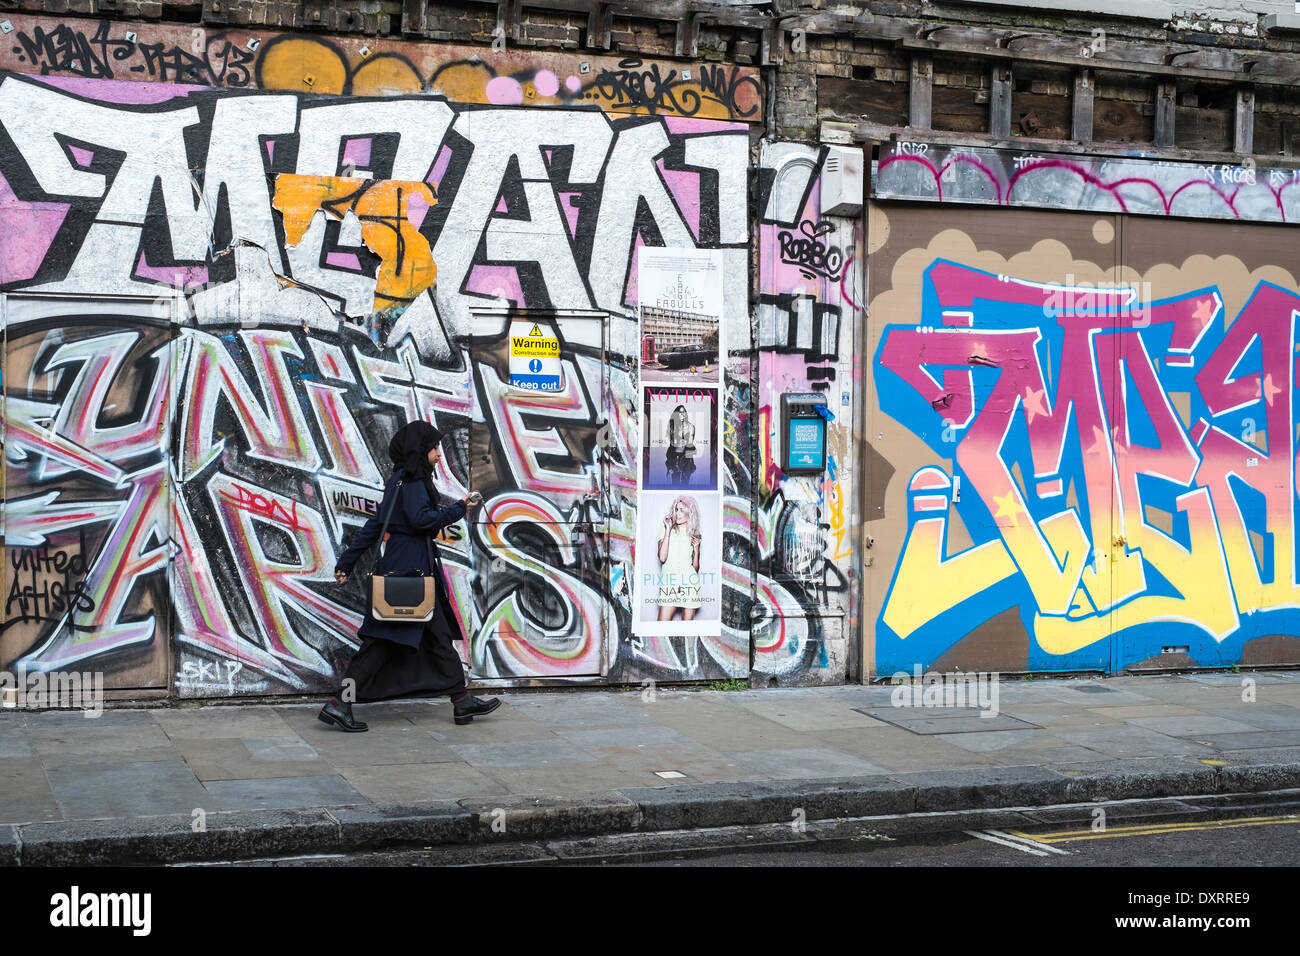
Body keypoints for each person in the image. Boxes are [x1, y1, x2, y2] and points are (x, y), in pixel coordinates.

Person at [320, 421, 500, 732]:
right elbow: (421, 521)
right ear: (420, 450)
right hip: (409, 572)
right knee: (379, 645)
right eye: (434, 449)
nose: (438, 456)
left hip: (412, 569)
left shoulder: (400, 481)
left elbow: (375, 526)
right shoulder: (413, 483)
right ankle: (339, 703)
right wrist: (459, 508)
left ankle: (461, 699)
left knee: (439, 637)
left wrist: (346, 563)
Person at [656, 495, 702, 622]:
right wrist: (668, 530)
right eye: (676, 509)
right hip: (669, 585)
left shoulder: (695, 535)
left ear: (690, 512)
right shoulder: (666, 530)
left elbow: (695, 569)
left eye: (682, 510)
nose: (677, 513)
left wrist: (697, 549)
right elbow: (662, 558)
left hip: (689, 586)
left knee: (687, 632)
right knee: (661, 628)